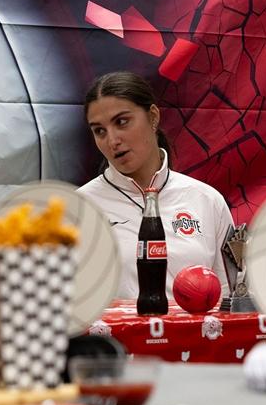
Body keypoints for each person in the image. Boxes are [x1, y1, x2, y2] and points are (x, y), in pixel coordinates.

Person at [77, 71, 232, 300]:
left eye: (122, 122)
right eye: (100, 131)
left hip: (194, 336)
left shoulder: (206, 200)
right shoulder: (79, 208)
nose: (112, 140)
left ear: (153, 117)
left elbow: (230, 299)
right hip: (113, 336)